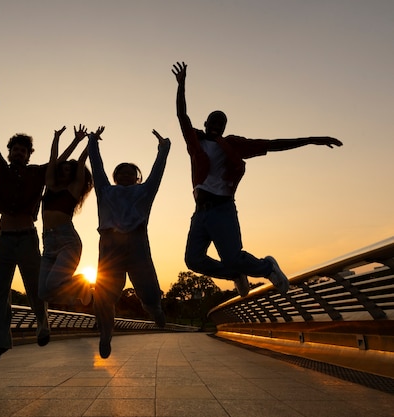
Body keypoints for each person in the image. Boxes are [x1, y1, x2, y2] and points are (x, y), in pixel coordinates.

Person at [172, 61, 343, 298]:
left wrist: (312, 139)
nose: (216, 124)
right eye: (213, 120)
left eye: (221, 122)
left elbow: (272, 145)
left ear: (224, 128)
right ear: (206, 123)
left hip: (222, 209)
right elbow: (181, 115)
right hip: (200, 212)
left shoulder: (232, 144)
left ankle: (267, 267)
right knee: (193, 260)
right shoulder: (196, 141)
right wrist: (181, 86)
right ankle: (235, 274)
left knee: (233, 257)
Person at [0, 92, 82, 366]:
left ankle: (42, 323)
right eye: (15, 149)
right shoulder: (1, 169)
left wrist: (75, 139)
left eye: (23, 151)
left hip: (27, 238)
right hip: (4, 239)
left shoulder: (37, 173)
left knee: (35, 287)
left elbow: (59, 160)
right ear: (10, 152)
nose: (18, 153)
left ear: (28, 155)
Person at [87, 126, 171, 359]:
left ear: (137, 178)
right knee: (103, 295)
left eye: (130, 173)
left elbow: (157, 173)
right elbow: (96, 167)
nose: (125, 175)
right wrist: (93, 141)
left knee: (150, 291)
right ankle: (105, 334)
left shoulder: (145, 191)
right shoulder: (105, 190)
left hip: (136, 246)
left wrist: (163, 149)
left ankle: (154, 308)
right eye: (121, 173)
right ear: (115, 177)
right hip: (110, 246)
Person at [38, 125, 94, 307]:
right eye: (63, 167)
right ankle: (76, 296)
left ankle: (85, 287)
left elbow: (81, 159)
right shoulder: (50, 185)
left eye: (69, 169)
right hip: (48, 241)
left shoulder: (74, 189)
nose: (64, 169)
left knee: (53, 283)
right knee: (44, 292)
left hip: (67, 241)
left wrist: (89, 143)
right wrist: (57, 138)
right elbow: (53, 160)